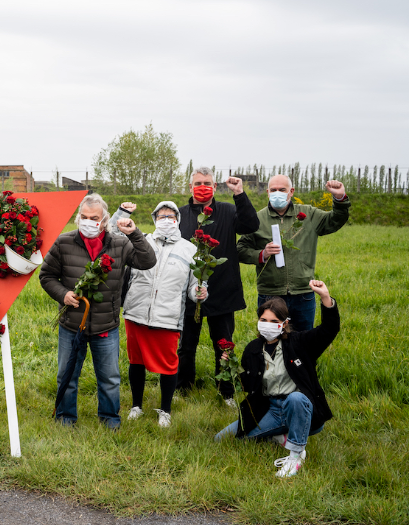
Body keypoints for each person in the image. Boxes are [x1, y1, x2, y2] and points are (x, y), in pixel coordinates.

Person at [39, 193, 156, 430]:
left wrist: (134, 233)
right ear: (78, 218)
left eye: (94, 218)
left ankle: (110, 420)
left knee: (110, 379)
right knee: (67, 375)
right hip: (71, 324)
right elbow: (47, 276)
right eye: (84, 217)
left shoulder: (120, 244)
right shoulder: (64, 242)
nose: (88, 222)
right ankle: (65, 418)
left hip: (106, 326)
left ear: (104, 221)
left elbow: (147, 261)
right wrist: (63, 294)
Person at [214, 280, 339, 478]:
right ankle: (280, 436)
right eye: (264, 320)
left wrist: (325, 297)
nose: (268, 325)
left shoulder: (300, 343)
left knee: (295, 398)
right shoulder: (253, 349)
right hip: (270, 408)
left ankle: (295, 455)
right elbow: (245, 385)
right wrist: (228, 368)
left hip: (298, 406)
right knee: (223, 439)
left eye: (274, 322)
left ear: (284, 324)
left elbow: (329, 329)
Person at [176, 167, 259, 405]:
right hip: (189, 291)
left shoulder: (228, 210)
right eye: (198, 183)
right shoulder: (180, 215)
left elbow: (250, 224)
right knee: (186, 346)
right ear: (190, 187)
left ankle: (226, 391)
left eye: (208, 183)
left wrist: (240, 194)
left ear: (214, 186)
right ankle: (183, 388)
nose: (203, 187)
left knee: (223, 344)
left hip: (223, 289)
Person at [122, 202, 208, 428]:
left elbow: (194, 285)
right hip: (137, 312)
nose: (166, 219)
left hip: (168, 316)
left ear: (177, 219)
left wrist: (200, 293)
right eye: (161, 216)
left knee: (169, 364)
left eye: (170, 216)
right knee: (136, 361)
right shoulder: (141, 242)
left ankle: (165, 410)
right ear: (154, 219)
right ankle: (136, 406)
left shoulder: (190, 249)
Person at [237, 176, 350, 331]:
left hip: (303, 293)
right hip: (270, 294)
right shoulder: (257, 219)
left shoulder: (308, 214)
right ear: (268, 192)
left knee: (303, 343)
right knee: (272, 340)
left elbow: (335, 220)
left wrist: (339, 198)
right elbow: (240, 250)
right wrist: (262, 254)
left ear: (291, 192)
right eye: (274, 190)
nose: (278, 193)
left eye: (282, 190)